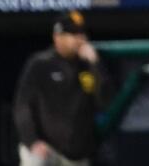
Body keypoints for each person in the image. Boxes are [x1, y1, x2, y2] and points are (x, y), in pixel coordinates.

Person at [14, 11, 112, 166]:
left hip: (77, 155)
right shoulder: (41, 64)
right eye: (73, 34)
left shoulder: (89, 65)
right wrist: (32, 141)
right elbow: (23, 107)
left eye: (81, 33)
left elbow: (105, 101)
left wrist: (95, 64)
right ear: (58, 37)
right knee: (35, 160)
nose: (80, 38)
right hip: (46, 148)